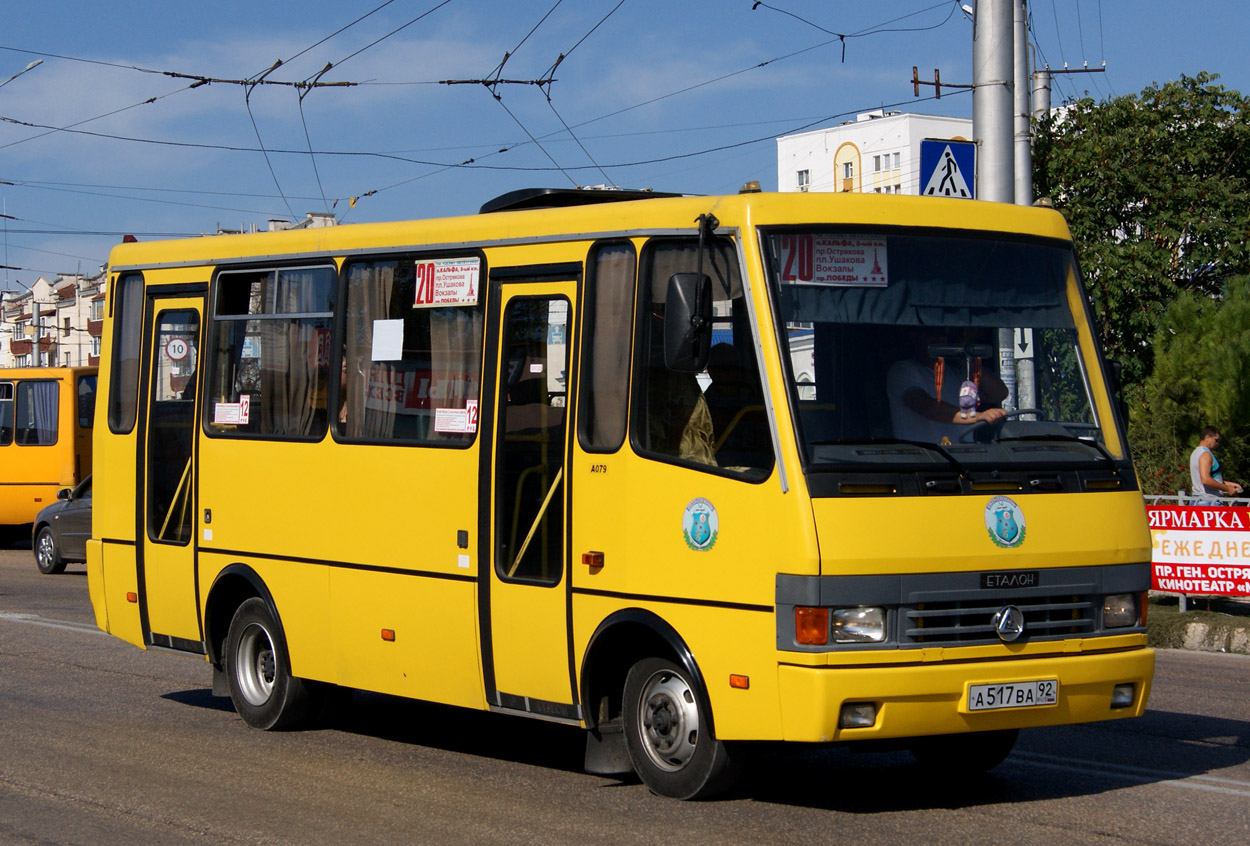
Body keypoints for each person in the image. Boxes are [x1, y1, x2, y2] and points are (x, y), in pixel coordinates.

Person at [886, 328, 1008, 444]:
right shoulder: (903, 370)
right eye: (933, 334)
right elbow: (927, 407)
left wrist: (964, 357)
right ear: (915, 337)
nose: (940, 338)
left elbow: (999, 393)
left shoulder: (958, 373)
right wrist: (978, 416)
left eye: (943, 334)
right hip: (922, 459)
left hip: (960, 458)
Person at [1190, 426, 1242, 504]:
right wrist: (1227, 488)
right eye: (1216, 440)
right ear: (1207, 437)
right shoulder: (1206, 455)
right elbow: (1205, 480)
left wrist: (1229, 484)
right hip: (1208, 501)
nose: (1217, 443)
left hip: (1199, 500)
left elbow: (1211, 478)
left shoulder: (1195, 453)